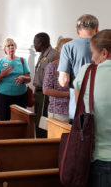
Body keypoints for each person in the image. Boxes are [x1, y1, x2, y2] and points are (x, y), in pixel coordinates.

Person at [73, 29, 111, 187]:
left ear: (104, 53)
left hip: (100, 158)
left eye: (93, 53)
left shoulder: (87, 72)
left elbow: (80, 112)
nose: (92, 58)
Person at [58, 14, 99, 122]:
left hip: (78, 104)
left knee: (80, 137)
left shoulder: (68, 47)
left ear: (77, 30)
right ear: (97, 28)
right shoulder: (105, 46)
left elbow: (63, 81)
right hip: (103, 104)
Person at [0, 38, 31, 121]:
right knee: (3, 121)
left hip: (20, 97)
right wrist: (2, 74)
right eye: (8, 46)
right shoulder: (0, 61)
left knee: (20, 121)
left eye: (12, 45)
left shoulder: (22, 60)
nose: (11, 47)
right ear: (4, 49)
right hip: (3, 97)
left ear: (15, 47)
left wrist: (23, 77)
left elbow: (29, 79)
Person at [33, 32, 59, 138]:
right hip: (39, 91)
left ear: (41, 43)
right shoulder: (43, 54)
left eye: (35, 43)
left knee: (42, 121)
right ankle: (38, 140)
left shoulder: (53, 55)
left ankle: (42, 143)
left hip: (46, 93)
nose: (34, 45)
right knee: (37, 119)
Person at [43, 38, 72, 122]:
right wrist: (69, 94)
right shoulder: (52, 66)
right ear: (60, 52)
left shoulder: (75, 65)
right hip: (58, 111)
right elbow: (46, 90)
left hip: (75, 110)